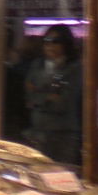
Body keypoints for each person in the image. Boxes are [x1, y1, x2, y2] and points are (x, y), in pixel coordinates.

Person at [23, 23, 83, 165]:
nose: (50, 45)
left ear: (66, 44)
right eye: (46, 41)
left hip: (64, 138)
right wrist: (48, 95)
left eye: (56, 41)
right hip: (37, 135)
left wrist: (37, 95)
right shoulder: (37, 65)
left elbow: (62, 103)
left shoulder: (75, 68)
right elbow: (28, 98)